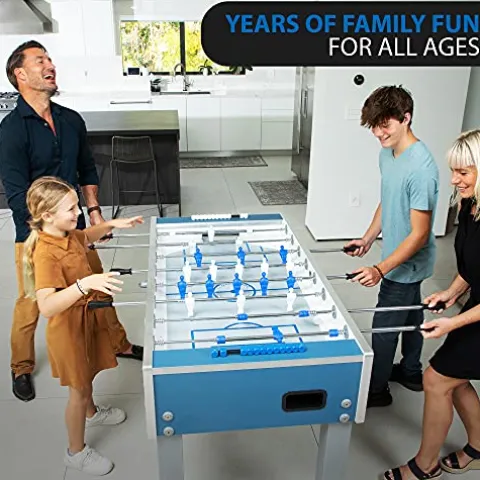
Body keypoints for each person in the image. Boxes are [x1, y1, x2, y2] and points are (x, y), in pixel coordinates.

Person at [0, 40, 143, 403]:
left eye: (50, 59)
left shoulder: (70, 120)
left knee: (99, 286)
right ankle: (21, 366)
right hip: (35, 236)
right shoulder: (11, 131)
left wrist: (93, 212)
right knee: (31, 301)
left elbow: (87, 169)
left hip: (76, 228)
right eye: (40, 60)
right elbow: (16, 195)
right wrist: (49, 237)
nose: (50, 65)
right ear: (20, 74)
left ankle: (120, 343)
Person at [23, 176, 143, 475]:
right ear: (47, 215)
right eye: (71, 209)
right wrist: (84, 284)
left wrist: (112, 225)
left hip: (86, 322)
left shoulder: (67, 234)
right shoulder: (45, 253)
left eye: (77, 205)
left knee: (87, 375)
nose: (78, 212)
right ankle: (75, 452)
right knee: (78, 390)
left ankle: (92, 412)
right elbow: (47, 306)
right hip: (68, 332)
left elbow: (87, 235)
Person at [382, 129, 480, 479]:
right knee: (457, 378)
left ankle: (424, 466)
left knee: (437, 379)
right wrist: (451, 293)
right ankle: (479, 446)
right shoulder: (470, 205)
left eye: (463, 172)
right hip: (475, 306)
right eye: (453, 170)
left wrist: (452, 322)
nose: (454, 180)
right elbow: (472, 267)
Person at [344, 86, 439, 408]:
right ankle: (411, 372)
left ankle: (375, 390)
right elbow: (388, 200)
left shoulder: (422, 169)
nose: (378, 133)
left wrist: (380, 269)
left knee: (384, 329)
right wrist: (368, 238)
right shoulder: (388, 154)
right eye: (374, 126)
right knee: (411, 315)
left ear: (406, 118)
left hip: (406, 262)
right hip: (396, 256)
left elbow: (420, 234)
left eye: (385, 125)